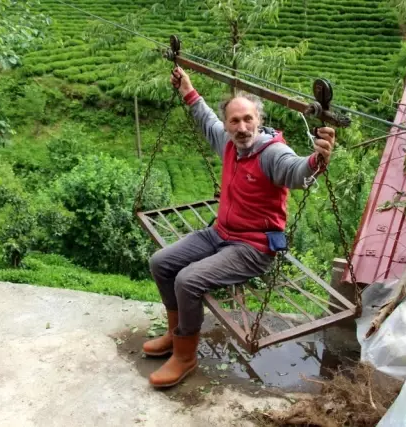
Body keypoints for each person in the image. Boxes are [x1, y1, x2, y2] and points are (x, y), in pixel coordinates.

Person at [143, 67, 336, 388]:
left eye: (248, 119)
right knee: (161, 263)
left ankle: (185, 356)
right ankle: (176, 335)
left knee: (188, 280)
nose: (242, 127)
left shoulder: (272, 153)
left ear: (258, 120)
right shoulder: (228, 142)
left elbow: (297, 172)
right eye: (234, 121)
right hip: (220, 233)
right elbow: (205, 118)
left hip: (253, 247)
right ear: (228, 124)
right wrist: (187, 89)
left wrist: (318, 159)